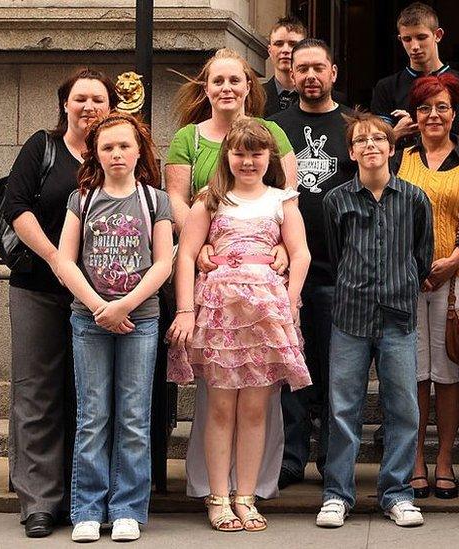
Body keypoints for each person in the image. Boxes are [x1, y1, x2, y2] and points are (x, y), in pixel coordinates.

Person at [164, 47, 297, 502]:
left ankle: (252, 489)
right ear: (206, 87)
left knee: (261, 404)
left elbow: (286, 204)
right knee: (217, 403)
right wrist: (203, 245)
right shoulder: (190, 142)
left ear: (248, 86)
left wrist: (275, 248)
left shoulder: (273, 135)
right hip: (215, 283)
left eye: (234, 80)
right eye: (217, 80)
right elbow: (178, 205)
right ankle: (214, 491)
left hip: (264, 298)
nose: (226, 88)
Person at [2, 67, 118, 539]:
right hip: (40, 289)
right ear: (64, 105)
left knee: (88, 398)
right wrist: (54, 258)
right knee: (38, 393)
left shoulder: (118, 150)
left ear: (112, 107)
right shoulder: (42, 147)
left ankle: (82, 497)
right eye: (79, 99)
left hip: (101, 298)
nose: (88, 107)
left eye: (98, 100)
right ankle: (39, 502)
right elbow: (16, 207)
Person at [53, 112, 173, 542]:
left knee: (134, 417)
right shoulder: (81, 199)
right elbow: (65, 259)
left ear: (139, 149)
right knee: (93, 415)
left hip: (140, 320)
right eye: (107, 147)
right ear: (96, 154)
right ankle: (87, 507)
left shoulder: (155, 200)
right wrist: (99, 306)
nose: (116, 153)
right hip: (89, 320)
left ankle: (126, 508)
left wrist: (123, 306)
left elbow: (163, 262)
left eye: (124, 146)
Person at [316, 112, 433, 529]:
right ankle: (337, 493)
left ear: (392, 147)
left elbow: (423, 255)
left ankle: (397, 493)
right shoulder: (336, 200)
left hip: (399, 317)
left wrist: (402, 283)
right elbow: (333, 254)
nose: (370, 146)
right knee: (343, 408)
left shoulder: (416, 199)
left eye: (378, 139)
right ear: (351, 152)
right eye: (361, 140)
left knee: (403, 409)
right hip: (349, 315)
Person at [394, 73, 459, 500]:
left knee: (449, 371)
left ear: (454, 113)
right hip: (408, 279)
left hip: (458, 278)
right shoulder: (400, 157)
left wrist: (454, 259)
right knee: (414, 371)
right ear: (415, 115)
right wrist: (414, 265)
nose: (433, 115)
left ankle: (446, 459)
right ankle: (415, 458)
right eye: (424, 108)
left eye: (442, 107)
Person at [268, 37, 357, 489]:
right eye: (302, 68)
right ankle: (292, 454)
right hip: (287, 271)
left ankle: (331, 459)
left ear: (333, 72)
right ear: (291, 71)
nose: (310, 76)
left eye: (318, 67)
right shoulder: (274, 127)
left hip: (342, 269)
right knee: (292, 367)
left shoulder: (353, 126)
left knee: (334, 369)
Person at [371, 2, 459, 147]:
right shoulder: (386, 87)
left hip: (450, 167)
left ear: (438, 35)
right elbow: (375, 148)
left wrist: (425, 123)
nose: (414, 46)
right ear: (400, 39)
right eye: (407, 39)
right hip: (400, 168)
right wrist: (397, 132)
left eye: (421, 37)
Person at [262, 16, 307, 117]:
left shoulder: (323, 97)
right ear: (270, 51)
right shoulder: (254, 96)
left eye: (292, 44)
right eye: (279, 44)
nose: (285, 50)